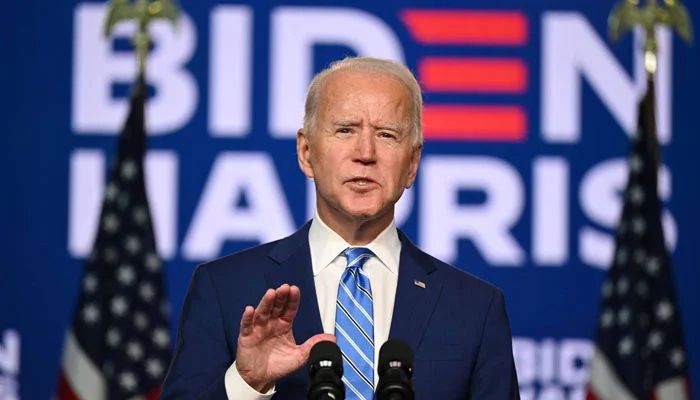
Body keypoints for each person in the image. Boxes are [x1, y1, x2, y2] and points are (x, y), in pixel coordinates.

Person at [161, 57, 520, 399]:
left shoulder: (474, 309)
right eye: (345, 130)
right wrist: (247, 383)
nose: (365, 152)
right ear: (306, 152)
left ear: (412, 164)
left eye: (387, 135)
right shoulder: (225, 289)